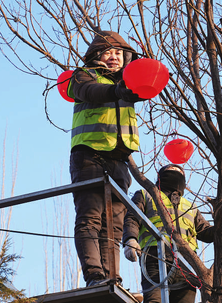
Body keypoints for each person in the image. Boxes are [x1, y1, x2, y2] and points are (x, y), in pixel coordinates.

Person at [68, 30, 145, 288]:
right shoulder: (82, 75)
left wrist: (137, 79)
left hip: (119, 160)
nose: (114, 57)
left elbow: (145, 84)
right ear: (97, 54)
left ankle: (112, 278)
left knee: (113, 225)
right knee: (90, 217)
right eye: (108, 51)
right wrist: (118, 90)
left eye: (119, 53)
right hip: (89, 156)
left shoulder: (128, 84)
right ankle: (95, 276)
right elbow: (90, 92)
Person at [122, 164, 222, 303]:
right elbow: (132, 218)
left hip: (187, 264)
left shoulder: (191, 206)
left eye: (179, 172)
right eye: (171, 171)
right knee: (155, 300)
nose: (176, 175)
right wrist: (130, 239)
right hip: (155, 257)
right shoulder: (146, 195)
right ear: (161, 176)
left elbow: (206, 233)